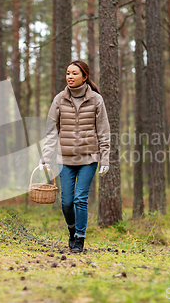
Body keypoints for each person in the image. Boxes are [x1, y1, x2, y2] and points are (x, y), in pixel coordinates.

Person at [38, 60, 110, 253]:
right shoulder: (59, 99)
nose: (70, 76)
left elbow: (103, 131)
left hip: (89, 159)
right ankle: (71, 230)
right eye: (68, 73)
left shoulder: (96, 100)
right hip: (66, 159)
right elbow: (51, 132)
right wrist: (45, 157)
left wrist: (105, 159)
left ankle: (80, 237)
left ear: (85, 76)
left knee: (80, 199)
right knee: (66, 201)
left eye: (74, 73)